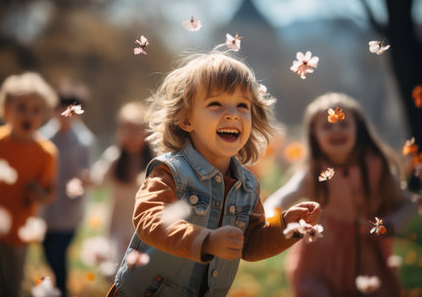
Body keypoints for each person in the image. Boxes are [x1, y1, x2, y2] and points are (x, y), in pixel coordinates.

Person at [106, 50, 322, 297]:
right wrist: (205, 241)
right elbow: (149, 221)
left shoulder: (247, 185)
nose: (232, 113)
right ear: (187, 120)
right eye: (216, 104)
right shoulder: (170, 172)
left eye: (242, 105)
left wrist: (285, 226)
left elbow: (249, 244)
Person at [264, 92, 417, 297]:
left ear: (359, 130)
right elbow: (280, 198)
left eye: (343, 124)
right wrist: (272, 217)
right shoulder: (312, 173)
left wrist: (392, 223)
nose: (336, 129)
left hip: (369, 258)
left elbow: (407, 203)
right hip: (320, 260)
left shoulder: (377, 167)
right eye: (327, 126)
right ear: (314, 135)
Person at [0, 72, 58, 297]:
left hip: (17, 235)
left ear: (43, 115)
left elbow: (49, 194)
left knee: (10, 289)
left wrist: (39, 193)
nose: (28, 114)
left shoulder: (46, 153)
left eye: (36, 109)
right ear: (6, 110)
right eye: (22, 107)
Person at [39, 83, 94, 297]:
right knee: (48, 252)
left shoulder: (83, 141)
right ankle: (60, 288)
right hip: (46, 209)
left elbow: (87, 174)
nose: (65, 116)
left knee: (57, 253)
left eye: (71, 111)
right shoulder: (43, 137)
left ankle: (62, 290)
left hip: (70, 211)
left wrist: (82, 181)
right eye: (61, 110)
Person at [91, 102, 153, 260]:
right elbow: (97, 180)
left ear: (146, 133)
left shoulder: (153, 161)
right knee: (116, 267)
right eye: (125, 129)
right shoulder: (114, 158)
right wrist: (86, 180)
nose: (129, 134)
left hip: (144, 226)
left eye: (135, 129)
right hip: (117, 226)